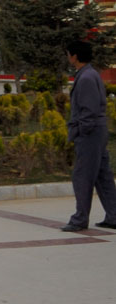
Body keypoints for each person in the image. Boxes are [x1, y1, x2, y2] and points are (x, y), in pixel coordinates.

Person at [60, 39, 116, 232]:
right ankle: (113, 216)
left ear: (74, 56)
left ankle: (79, 219)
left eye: (68, 54)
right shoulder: (90, 74)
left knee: (82, 176)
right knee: (102, 175)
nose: (68, 57)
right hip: (96, 130)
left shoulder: (85, 78)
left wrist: (80, 131)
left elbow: (89, 111)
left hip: (90, 133)